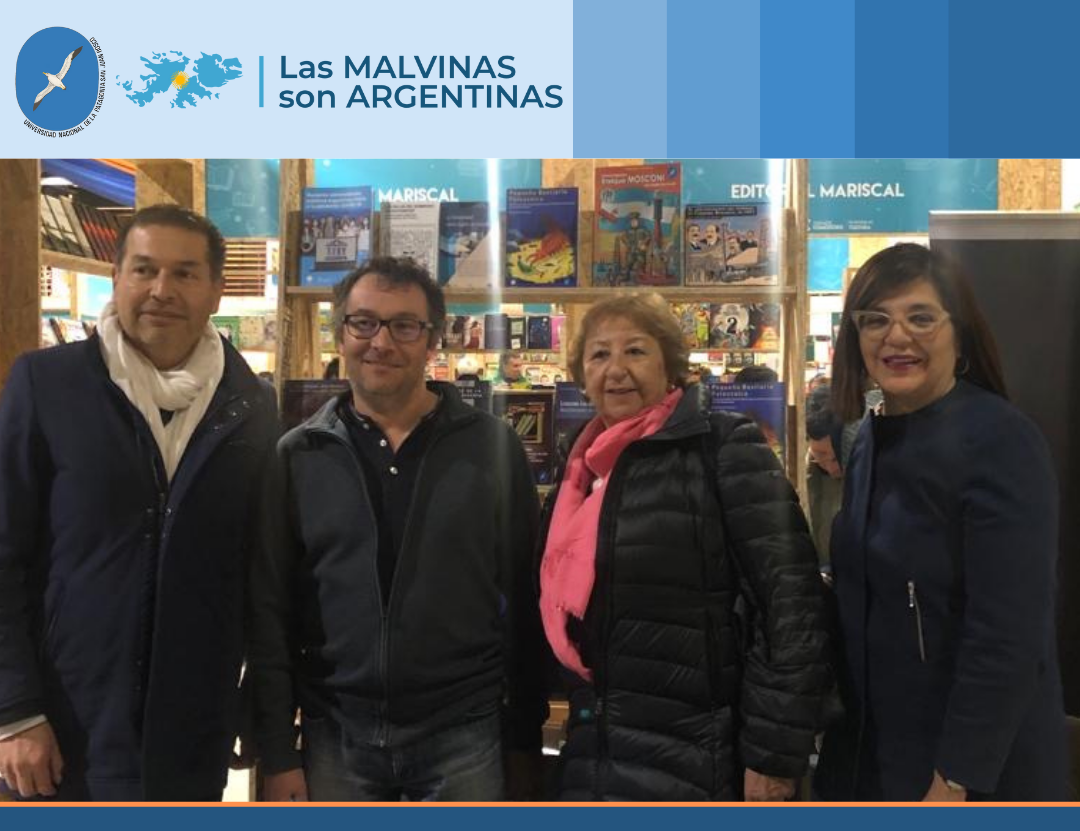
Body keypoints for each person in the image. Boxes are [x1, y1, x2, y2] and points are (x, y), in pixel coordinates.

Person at [0, 205, 279, 801]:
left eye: (184, 273)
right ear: (117, 277)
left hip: (192, 735)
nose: (161, 290)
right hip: (61, 729)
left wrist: (256, 705)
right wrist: (15, 710)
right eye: (144, 269)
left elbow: (259, 574)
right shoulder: (47, 385)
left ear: (216, 291)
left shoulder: (252, 405)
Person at [250, 256, 548, 802]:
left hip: (463, 734)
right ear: (340, 334)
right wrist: (277, 752)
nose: (381, 342)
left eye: (404, 326)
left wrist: (524, 738)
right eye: (364, 322)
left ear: (433, 340)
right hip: (336, 737)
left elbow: (526, 600)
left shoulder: (491, 446)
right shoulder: (298, 454)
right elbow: (271, 610)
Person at [538, 293, 831, 801]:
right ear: (582, 374)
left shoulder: (722, 445)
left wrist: (773, 756)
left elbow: (791, 605)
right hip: (596, 751)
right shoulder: (580, 469)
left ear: (670, 365)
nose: (616, 369)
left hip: (698, 759)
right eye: (599, 354)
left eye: (635, 350)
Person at [815, 243, 1069, 801]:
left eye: (921, 317)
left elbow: (1008, 633)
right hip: (878, 754)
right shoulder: (869, 439)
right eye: (875, 319)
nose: (896, 336)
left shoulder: (1000, 440)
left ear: (960, 333)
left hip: (971, 773)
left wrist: (956, 778)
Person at [804, 383, 845, 569]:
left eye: (837, 457)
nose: (830, 467)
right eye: (820, 455)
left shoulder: (865, 473)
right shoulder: (801, 475)